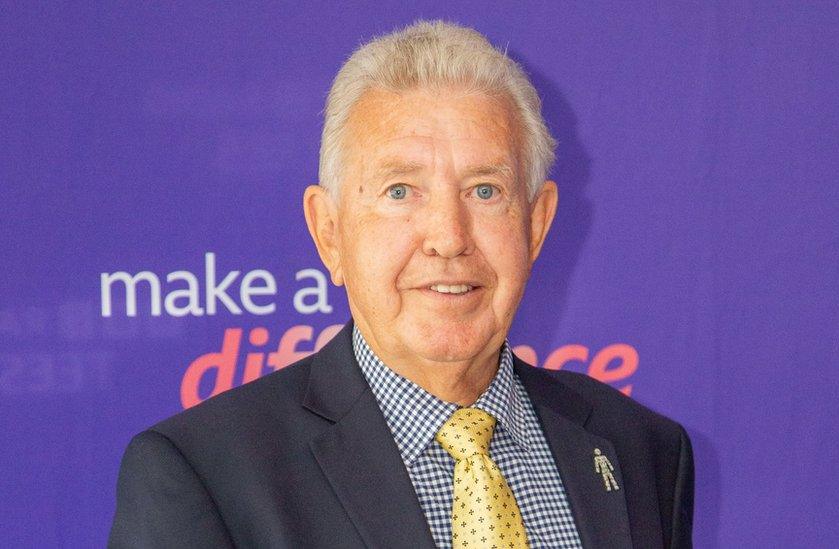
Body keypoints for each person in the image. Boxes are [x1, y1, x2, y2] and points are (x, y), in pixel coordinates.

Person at [109, 20, 694, 548]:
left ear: (537, 225)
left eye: (484, 191)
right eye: (400, 191)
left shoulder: (643, 452)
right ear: (329, 233)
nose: (448, 237)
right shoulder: (204, 476)